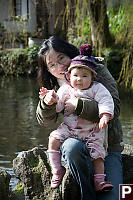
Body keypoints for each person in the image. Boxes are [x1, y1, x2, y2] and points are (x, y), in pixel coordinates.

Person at [36, 36, 123, 200]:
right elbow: (45, 121)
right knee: (71, 148)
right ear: (48, 70)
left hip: (106, 145)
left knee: (113, 196)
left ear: (71, 54)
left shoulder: (96, 69)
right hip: (74, 140)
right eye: (52, 65)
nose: (59, 67)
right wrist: (47, 104)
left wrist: (79, 106)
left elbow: (115, 108)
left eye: (61, 58)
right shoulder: (54, 85)